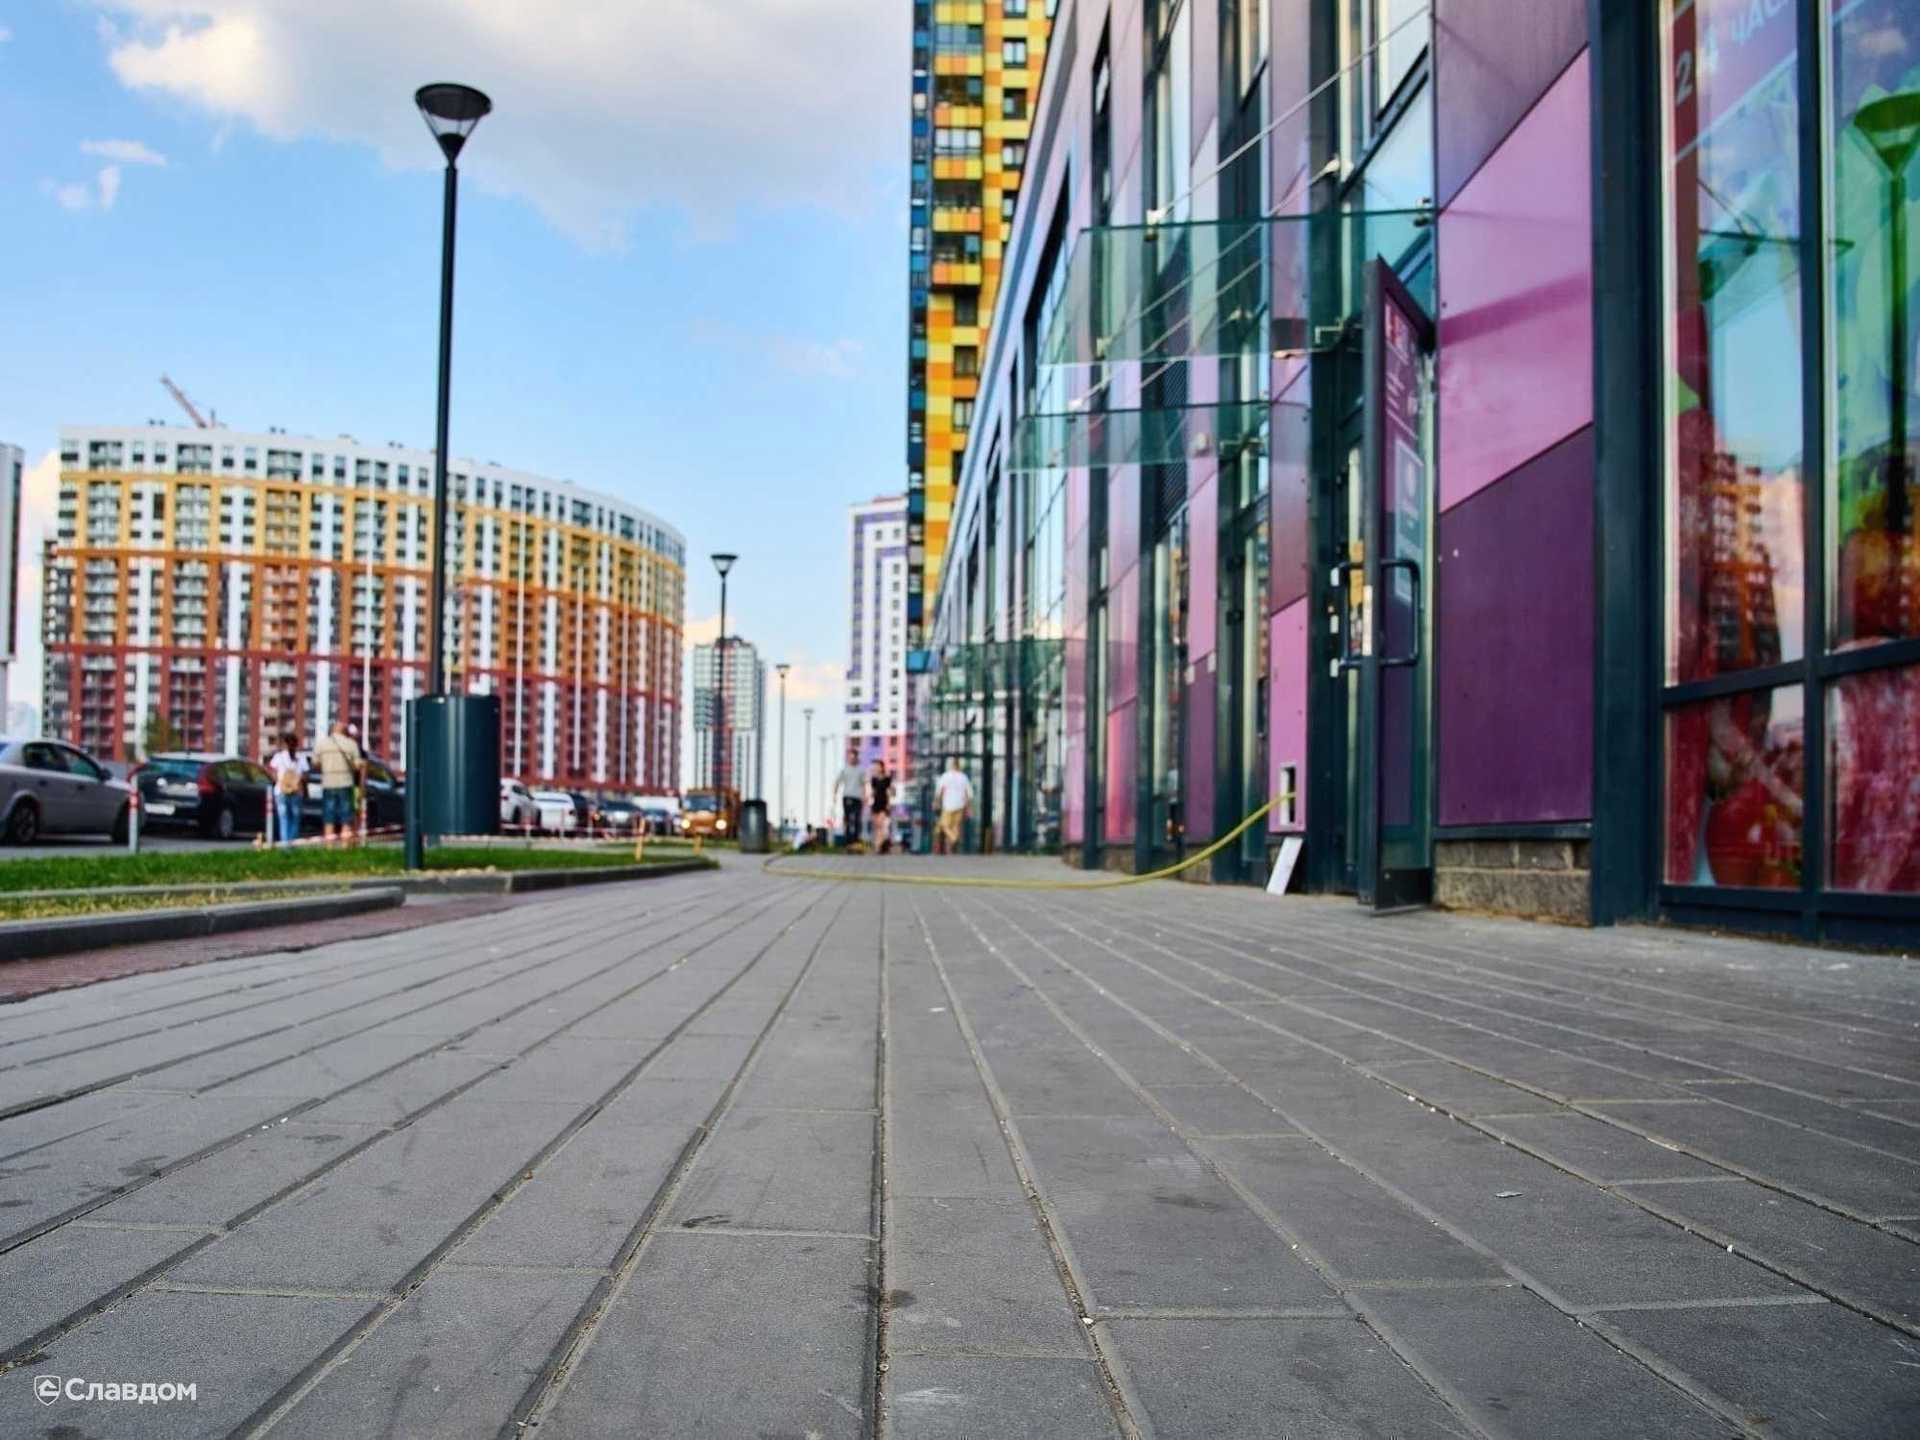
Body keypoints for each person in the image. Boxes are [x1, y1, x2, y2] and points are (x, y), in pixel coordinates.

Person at [312, 720, 364, 849]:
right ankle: (345, 846)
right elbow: (358, 766)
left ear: (332, 730)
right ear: (344, 731)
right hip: (345, 782)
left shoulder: (322, 744)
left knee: (328, 816)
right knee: (346, 816)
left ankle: (329, 846)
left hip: (328, 783)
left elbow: (315, 763)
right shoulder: (351, 744)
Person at [267, 730, 304, 848]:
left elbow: (272, 771)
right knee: (295, 818)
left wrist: (279, 780)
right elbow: (305, 775)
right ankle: (292, 843)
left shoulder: (279, 757)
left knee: (284, 818)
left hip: (280, 790)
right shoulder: (300, 757)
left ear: (285, 743)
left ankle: (285, 844)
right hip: (296, 791)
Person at [934, 755, 973, 856]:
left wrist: (936, 802)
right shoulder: (963, 777)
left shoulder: (945, 776)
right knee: (955, 826)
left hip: (948, 804)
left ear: (950, 765)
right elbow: (969, 793)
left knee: (944, 825)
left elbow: (939, 791)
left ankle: (953, 838)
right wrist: (968, 807)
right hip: (960, 805)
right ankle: (951, 847)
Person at [835, 745, 868, 848]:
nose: (852, 759)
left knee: (857, 819)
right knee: (848, 818)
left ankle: (856, 840)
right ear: (848, 757)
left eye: (854, 757)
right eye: (850, 757)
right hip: (847, 796)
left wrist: (865, 796)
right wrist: (834, 795)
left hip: (858, 797)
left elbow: (865, 784)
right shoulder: (844, 769)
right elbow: (837, 782)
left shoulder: (861, 770)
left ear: (857, 757)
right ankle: (847, 840)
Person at [869, 759, 895, 853]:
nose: (876, 768)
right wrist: (869, 801)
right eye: (875, 766)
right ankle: (879, 845)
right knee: (877, 826)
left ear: (882, 767)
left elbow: (891, 792)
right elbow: (872, 792)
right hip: (875, 803)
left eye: (877, 766)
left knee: (882, 825)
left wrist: (889, 803)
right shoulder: (873, 779)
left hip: (884, 803)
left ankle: (879, 846)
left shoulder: (887, 779)